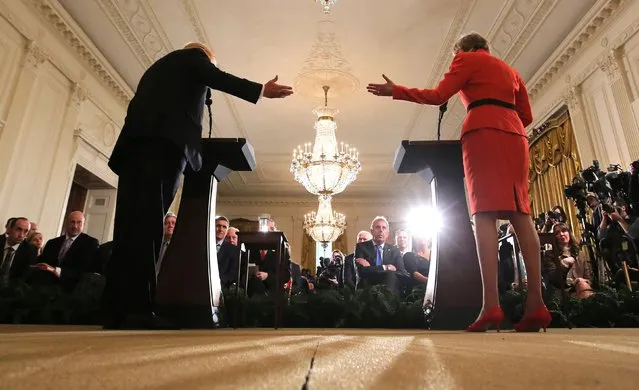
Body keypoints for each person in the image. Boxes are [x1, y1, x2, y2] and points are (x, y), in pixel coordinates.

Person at [367, 32, 550, 332]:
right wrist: (505, 121)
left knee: (484, 214)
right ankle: (536, 304)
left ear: (464, 49)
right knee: (521, 212)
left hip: (483, 133)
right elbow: (526, 115)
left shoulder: (465, 59)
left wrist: (396, 90)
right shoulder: (511, 70)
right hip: (516, 135)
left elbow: (438, 96)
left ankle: (491, 304)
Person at [103, 42, 293, 330]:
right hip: (162, 150)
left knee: (129, 226)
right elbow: (218, 77)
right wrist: (260, 90)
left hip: (134, 150)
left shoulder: (159, 70)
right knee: (148, 226)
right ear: (207, 60)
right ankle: (138, 310)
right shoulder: (193, 58)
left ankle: (115, 309)